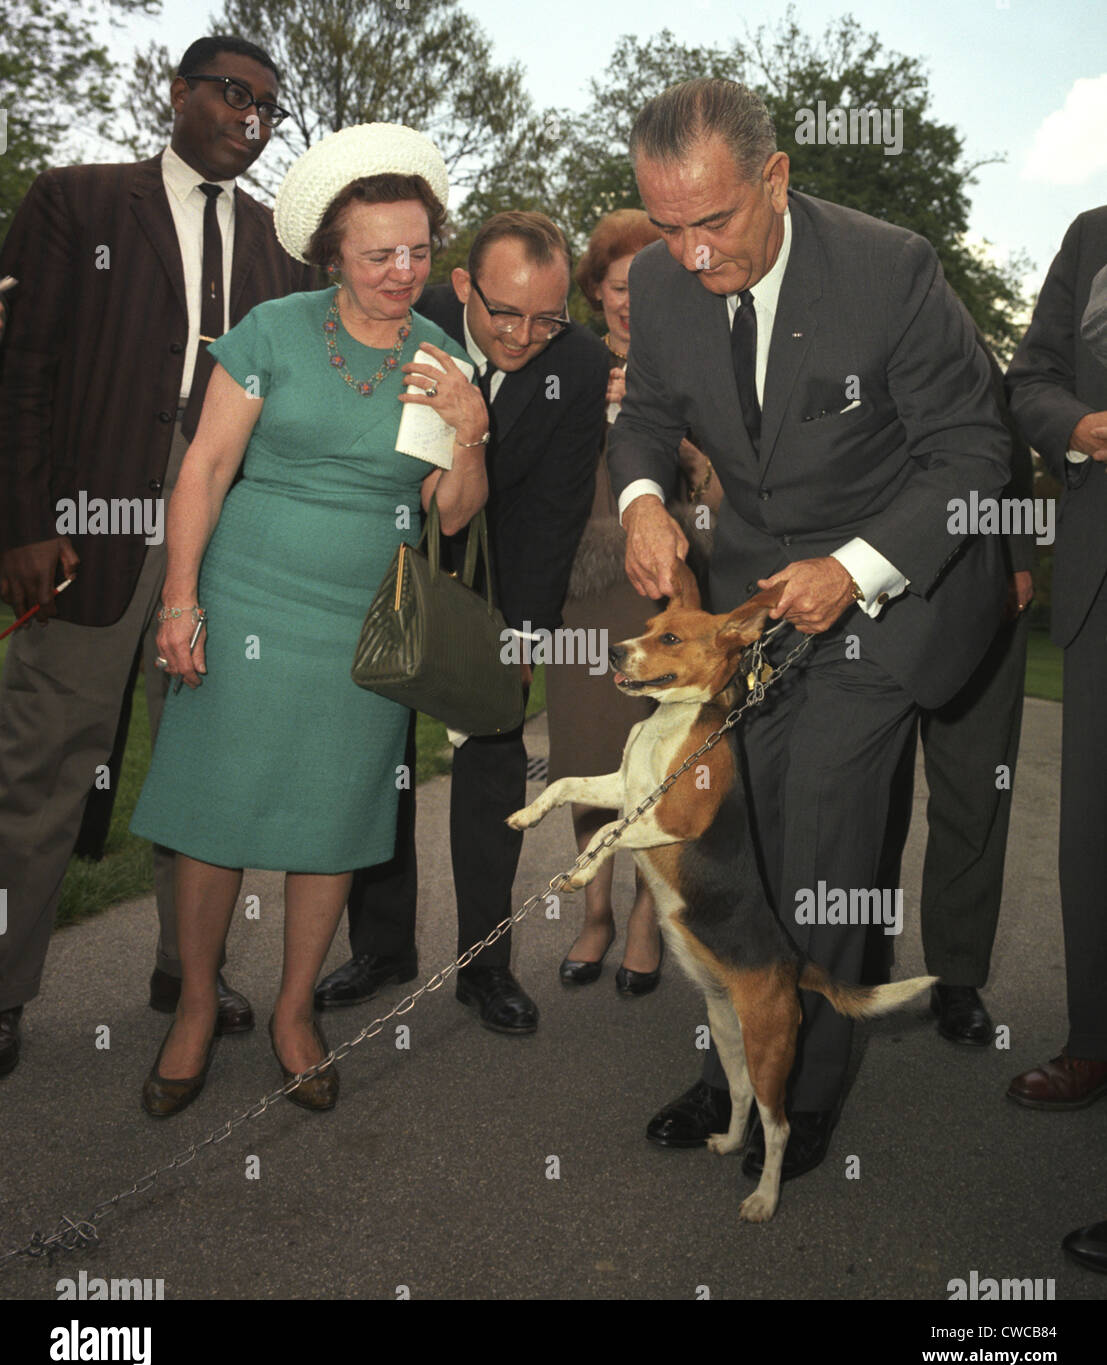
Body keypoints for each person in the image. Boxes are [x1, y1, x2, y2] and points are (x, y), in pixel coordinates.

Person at [606, 78, 1010, 1181]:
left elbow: (975, 452)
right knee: (738, 839)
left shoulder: (891, 268)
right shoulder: (658, 270)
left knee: (827, 833)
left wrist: (852, 565)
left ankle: (804, 1089)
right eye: (668, 225)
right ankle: (733, 1066)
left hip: (885, 592)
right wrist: (643, 502)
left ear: (776, 178)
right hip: (750, 612)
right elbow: (645, 417)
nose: (689, 256)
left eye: (714, 222)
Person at [128, 122, 488, 1115]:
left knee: (332, 823)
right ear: (332, 251)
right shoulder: (272, 333)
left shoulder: (439, 356)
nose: (403, 271)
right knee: (211, 817)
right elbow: (203, 469)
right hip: (244, 600)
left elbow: (450, 517)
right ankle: (196, 1005)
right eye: (379, 254)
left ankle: (295, 1009)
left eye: (418, 250)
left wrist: (470, 431)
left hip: (365, 628)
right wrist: (181, 599)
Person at [0, 35, 317, 1081]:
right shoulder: (79, 204)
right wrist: (22, 522)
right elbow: (25, 370)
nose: (251, 116)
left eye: (268, 106)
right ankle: (6, 988)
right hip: (85, 538)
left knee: (201, 776)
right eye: (233, 94)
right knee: (42, 765)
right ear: (177, 93)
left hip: (220, 551)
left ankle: (185, 972)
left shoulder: (282, 247)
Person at [314, 211, 609, 1033]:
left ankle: (485, 965)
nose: (523, 336)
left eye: (546, 317)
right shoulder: (410, 327)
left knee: (491, 764)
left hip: (503, 576)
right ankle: (381, 948)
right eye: (504, 313)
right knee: (379, 760)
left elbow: (554, 509)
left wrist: (524, 631)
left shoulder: (577, 363)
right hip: (387, 559)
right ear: (463, 287)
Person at [877, 342, 1036, 1045]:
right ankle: (856, 963)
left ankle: (956, 978)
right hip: (875, 602)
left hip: (982, 597)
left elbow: (1014, 465)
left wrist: (1020, 560)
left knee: (974, 793)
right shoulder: (841, 349)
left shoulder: (968, 352)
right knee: (864, 799)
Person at [1006, 212, 1107, 1275]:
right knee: (1090, 847)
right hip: (1099, 586)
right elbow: (1030, 379)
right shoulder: (1093, 236)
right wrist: (1083, 427)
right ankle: (1092, 1038)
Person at [545, 210, 666, 994]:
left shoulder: (694, 361)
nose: (630, 300)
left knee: (656, 768)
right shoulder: (568, 365)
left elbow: (723, 486)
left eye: (646, 285)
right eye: (619, 285)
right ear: (595, 290)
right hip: (582, 596)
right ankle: (595, 913)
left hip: (665, 596)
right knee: (589, 761)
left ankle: (647, 921)